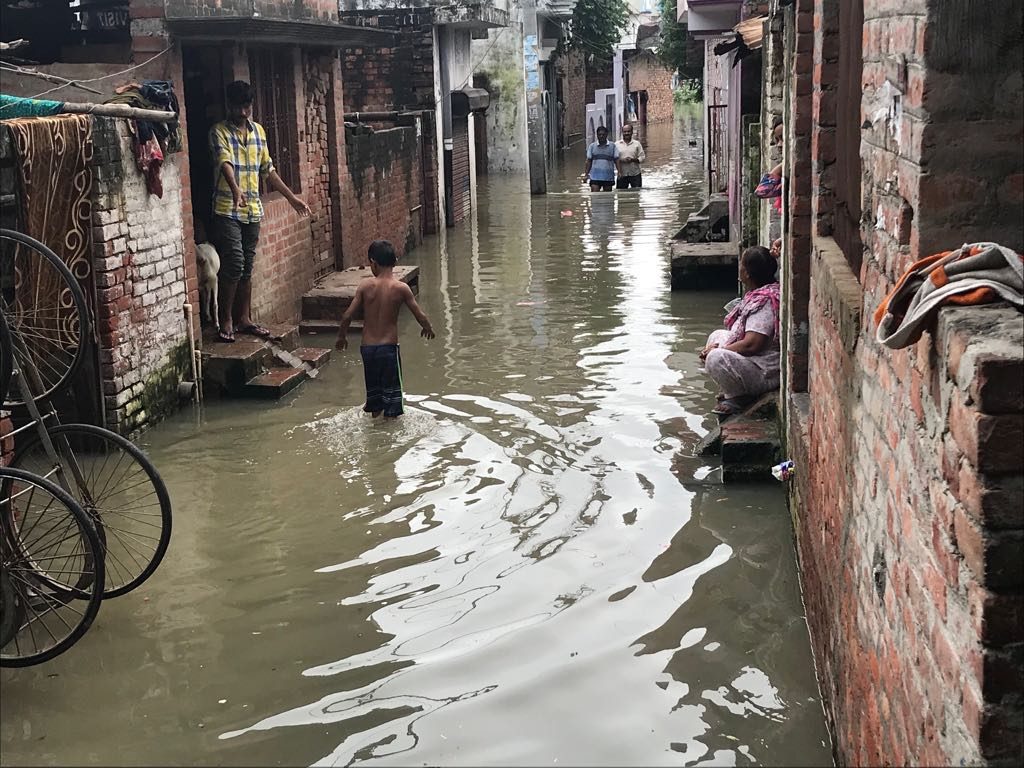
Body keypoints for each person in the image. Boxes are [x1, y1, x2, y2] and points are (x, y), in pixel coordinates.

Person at [209, 80, 310, 343]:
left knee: (247, 266)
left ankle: (245, 319)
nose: (243, 112)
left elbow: (268, 170)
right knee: (234, 262)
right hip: (227, 209)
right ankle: (226, 319)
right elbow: (224, 161)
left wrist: (292, 199)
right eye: (238, 107)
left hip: (253, 210)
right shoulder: (219, 131)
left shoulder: (259, 132)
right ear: (229, 105)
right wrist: (235, 189)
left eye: (246, 106)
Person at [335, 240, 435, 418]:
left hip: (367, 350)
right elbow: (419, 314)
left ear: (373, 263)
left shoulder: (365, 286)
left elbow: (347, 316)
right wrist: (428, 328)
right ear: (395, 262)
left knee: (375, 400)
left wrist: (342, 337)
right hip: (388, 350)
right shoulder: (401, 288)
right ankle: (389, 434)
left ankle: (376, 425)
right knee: (392, 401)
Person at [699, 246, 781, 415]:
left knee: (715, 358)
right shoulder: (761, 292)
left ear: (748, 274)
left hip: (765, 371)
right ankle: (733, 389)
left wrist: (718, 351)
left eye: (742, 265)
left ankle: (739, 397)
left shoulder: (764, 301)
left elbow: (752, 345)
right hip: (758, 361)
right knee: (717, 336)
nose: (739, 268)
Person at [584, 126, 619, 192]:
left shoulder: (612, 146)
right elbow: (588, 161)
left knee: (608, 198)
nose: (601, 136)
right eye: (599, 134)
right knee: (595, 197)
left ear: (606, 135)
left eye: (603, 134)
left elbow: (616, 160)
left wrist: (619, 172)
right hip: (595, 177)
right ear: (597, 135)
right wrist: (586, 175)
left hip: (608, 177)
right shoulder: (592, 146)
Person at [615, 123, 646, 189]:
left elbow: (642, 157)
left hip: (635, 174)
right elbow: (613, 158)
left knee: (636, 195)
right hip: (622, 174)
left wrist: (633, 160)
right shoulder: (617, 144)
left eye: (628, 131)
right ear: (622, 132)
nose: (626, 133)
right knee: (621, 195)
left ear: (632, 132)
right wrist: (622, 160)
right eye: (625, 132)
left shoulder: (637, 144)